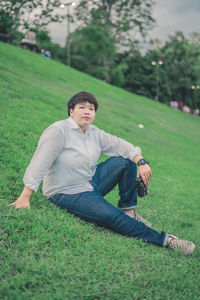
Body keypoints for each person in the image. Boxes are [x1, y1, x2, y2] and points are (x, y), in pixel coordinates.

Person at [10, 92, 195, 255]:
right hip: (66, 191)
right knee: (111, 217)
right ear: (71, 111)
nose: (87, 111)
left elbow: (120, 145)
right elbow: (39, 162)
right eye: (81, 107)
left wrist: (140, 160)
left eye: (91, 108)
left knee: (125, 160)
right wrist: (25, 196)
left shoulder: (93, 132)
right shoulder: (59, 131)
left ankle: (129, 210)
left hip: (90, 182)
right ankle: (167, 240)